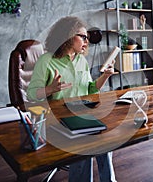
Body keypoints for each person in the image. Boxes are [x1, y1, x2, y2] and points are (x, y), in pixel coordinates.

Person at [27, 16, 116, 182]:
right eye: (82, 36)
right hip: (57, 119)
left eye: (87, 38)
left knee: (106, 138)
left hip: (82, 114)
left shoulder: (82, 61)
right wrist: (50, 89)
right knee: (85, 143)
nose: (86, 41)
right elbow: (31, 94)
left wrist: (105, 76)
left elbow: (90, 88)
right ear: (67, 36)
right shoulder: (46, 61)